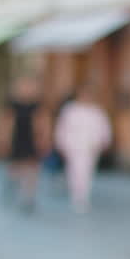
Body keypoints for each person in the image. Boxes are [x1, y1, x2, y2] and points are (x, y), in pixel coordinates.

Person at [53, 83, 111, 213]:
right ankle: (76, 195)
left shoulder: (96, 111)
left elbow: (103, 127)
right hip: (73, 145)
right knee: (74, 170)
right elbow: (62, 127)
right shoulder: (70, 110)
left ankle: (83, 196)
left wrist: (104, 140)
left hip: (91, 146)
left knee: (87, 171)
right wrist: (60, 142)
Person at [0, 74, 48, 213]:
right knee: (15, 167)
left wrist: (44, 139)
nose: (27, 89)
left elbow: (44, 123)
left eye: (30, 86)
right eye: (24, 86)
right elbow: (4, 123)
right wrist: (2, 139)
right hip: (16, 138)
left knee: (32, 168)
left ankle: (28, 197)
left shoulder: (37, 106)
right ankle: (12, 185)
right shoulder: (12, 105)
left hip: (32, 138)